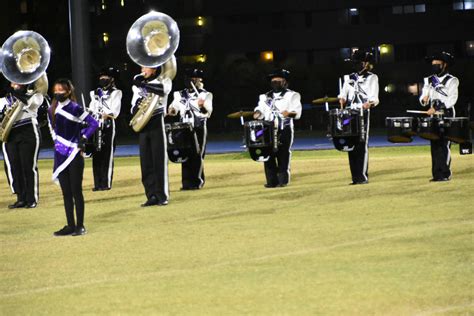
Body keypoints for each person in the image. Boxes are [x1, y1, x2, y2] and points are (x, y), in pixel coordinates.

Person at [48, 79, 98, 236]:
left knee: (76, 191)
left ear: (69, 91)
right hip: (60, 155)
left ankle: (80, 225)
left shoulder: (75, 108)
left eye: (61, 90)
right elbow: (53, 130)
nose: (58, 93)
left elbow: (93, 123)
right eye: (56, 90)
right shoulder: (51, 110)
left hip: (75, 155)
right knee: (66, 193)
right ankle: (70, 225)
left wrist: (83, 138)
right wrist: (58, 144)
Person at [0, 77, 45, 209]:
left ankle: (31, 199)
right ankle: (21, 197)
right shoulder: (3, 100)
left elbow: (30, 103)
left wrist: (17, 93)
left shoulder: (34, 96)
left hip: (28, 131)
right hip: (11, 134)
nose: (15, 83)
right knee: (14, 166)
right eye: (13, 80)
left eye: (18, 80)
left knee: (28, 166)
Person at [131, 64, 172, 206]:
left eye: (145, 68)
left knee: (158, 160)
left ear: (154, 69)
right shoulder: (139, 84)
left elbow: (163, 91)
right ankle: (151, 195)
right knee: (146, 162)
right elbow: (133, 106)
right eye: (141, 68)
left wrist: (144, 86)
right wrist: (137, 104)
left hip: (156, 121)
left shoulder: (164, 80)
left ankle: (162, 196)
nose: (142, 70)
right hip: (143, 123)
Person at [253, 69, 302, 188]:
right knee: (267, 154)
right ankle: (271, 181)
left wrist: (289, 113)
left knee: (283, 154)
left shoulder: (292, 95)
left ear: (284, 81)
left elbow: (297, 113)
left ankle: (283, 180)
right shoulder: (264, 97)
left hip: (284, 128)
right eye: (273, 80)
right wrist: (258, 113)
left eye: (278, 80)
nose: (275, 81)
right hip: (268, 129)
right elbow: (260, 109)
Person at [338, 50, 379, 185]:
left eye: (357, 63)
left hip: (362, 113)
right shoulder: (348, 78)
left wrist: (369, 104)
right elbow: (343, 95)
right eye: (353, 63)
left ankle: (361, 176)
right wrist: (342, 99)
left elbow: (374, 98)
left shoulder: (372, 77)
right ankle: (354, 177)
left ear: (365, 63)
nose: (355, 65)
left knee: (361, 144)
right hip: (349, 113)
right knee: (350, 144)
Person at [168, 68, 213, 190]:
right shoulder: (179, 94)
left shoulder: (205, 94)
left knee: (198, 155)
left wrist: (201, 106)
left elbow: (207, 113)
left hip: (198, 126)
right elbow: (174, 109)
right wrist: (171, 110)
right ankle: (186, 183)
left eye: (193, 78)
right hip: (183, 128)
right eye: (188, 78)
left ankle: (197, 182)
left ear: (199, 80)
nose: (190, 80)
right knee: (185, 154)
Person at [419, 51, 459, 181]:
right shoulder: (429, 80)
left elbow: (452, 99)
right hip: (433, 114)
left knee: (444, 143)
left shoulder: (452, 80)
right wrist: (424, 99)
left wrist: (437, 107)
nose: (434, 66)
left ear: (444, 64)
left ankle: (445, 173)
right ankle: (436, 174)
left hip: (446, 113)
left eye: (437, 64)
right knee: (434, 143)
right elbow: (424, 95)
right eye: (433, 64)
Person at [88, 67, 122, 191]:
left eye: (105, 77)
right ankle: (97, 183)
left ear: (111, 79)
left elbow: (115, 112)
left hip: (108, 124)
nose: (102, 79)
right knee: (96, 153)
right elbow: (92, 107)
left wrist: (106, 114)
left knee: (107, 153)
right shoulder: (94, 93)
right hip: (96, 124)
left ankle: (106, 183)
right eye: (101, 77)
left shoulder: (116, 92)